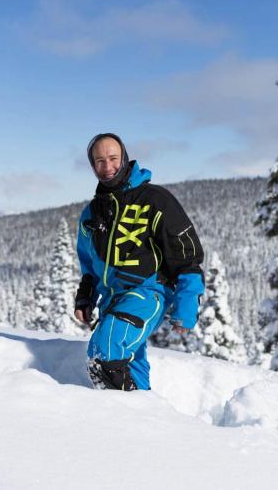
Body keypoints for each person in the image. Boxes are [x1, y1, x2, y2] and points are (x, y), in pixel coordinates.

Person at [74, 132, 204, 391]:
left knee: (108, 346)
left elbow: (186, 255)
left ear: (124, 158)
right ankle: (144, 419)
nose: (107, 167)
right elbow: (89, 265)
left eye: (113, 158)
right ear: (92, 166)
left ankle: (121, 413)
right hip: (112, 298)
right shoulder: (91, 213)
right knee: (130, 362)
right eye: (100, 161)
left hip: (148, 291)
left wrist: (187, 304)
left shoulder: (155, 200)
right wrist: (85, 297)